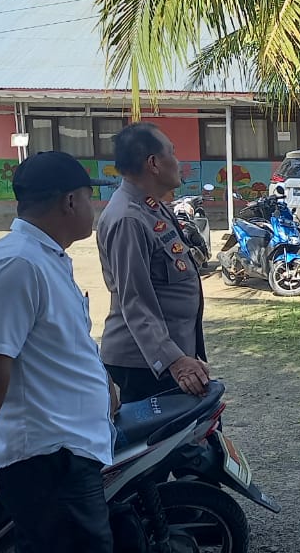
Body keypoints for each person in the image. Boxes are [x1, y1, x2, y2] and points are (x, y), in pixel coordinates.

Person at [0, 151, 117, 552]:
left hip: (67, 448)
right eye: (90, 197)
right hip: (47, 457)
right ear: (70, 201)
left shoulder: (45, 257)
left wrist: (103, 385)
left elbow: (58, 344)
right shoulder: (15, 264)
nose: (95, 207)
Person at [98, 122, 210, 403]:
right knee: (168, 444)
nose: (178, 161)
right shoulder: (128, 218)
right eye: (172, 153)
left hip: (165, 355)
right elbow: (134, 300)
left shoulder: (152, 205)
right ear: (154, 163)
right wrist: (175, 362)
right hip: (145, 364)